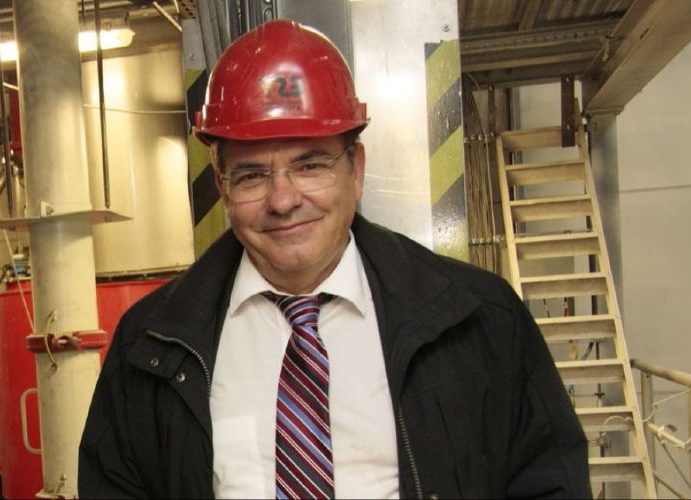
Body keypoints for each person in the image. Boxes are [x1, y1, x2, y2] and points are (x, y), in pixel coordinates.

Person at [78, 19, 589, 499]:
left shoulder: (481, 321)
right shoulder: (149, 347)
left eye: (310, 165)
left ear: (355, 170)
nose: (283, 200)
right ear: (223, 188)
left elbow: (549, 481)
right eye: (253, 175)